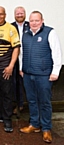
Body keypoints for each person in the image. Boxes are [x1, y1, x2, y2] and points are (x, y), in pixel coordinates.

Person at [19, 11, 62, 143]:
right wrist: (22, 68)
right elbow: (22, 53)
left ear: (42, 21)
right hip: (28, 74)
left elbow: (56, 52)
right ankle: (34, 124)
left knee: (44, 102)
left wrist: (56, 71)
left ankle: (46, 129)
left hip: (44, 75)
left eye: (36, 20)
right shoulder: (25, 35)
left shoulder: (50, 32)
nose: (34, 23)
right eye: (32, 20)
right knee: (32, 101)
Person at [11, 6, 29, 115]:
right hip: (15, 58)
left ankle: (23, 104)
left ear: (25, 14)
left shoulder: (30, 25)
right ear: (14, 15)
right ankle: (16, 104)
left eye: (21, 13)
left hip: (27, 58)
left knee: (25, 82)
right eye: (17, 13)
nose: (19, 15)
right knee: (15, 82)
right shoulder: (11, 26)